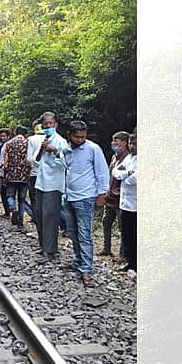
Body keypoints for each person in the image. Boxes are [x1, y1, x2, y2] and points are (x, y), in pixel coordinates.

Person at [63, 120, 109, 287]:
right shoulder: (67, 150)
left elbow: (102, 172)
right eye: (76, 137)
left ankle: (86, 268)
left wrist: (102, 195)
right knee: (73, 232)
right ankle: (78, 260)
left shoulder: (93, 149)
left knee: (85, 233)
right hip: (70, 196)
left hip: (86, 197)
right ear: (70, 135)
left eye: (82, 137)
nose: (79, 140)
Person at [33, 112, 69, 258]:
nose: (47, 126)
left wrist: (54, 151)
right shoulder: (44, 140)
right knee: (40, 215)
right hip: (41, 183)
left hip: (53, 185)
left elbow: (65, 164)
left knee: (50, 217)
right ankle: (43, 245)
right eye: (45, 124)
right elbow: (35, 161)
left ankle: (51, 249)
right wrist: (42, 149)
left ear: (55, 124)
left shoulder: (61, 142)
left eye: (50, 123)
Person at [101, 131, 130, 256]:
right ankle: (106, 248)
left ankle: (123, 254)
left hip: (121, 199)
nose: (113, 143)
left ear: (124, 143)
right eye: (113, 140)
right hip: (110, 197)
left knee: (122, 227)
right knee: (106, 222)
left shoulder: (128, 159)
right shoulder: (114, 157)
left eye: (116, 141)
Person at [114, 131, 138, 275]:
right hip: (125, 203)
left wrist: (125, 175)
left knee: (136, 236)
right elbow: (115, 172)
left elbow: (134, 179)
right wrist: (127, 173)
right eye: (130, 143)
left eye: (135, 144)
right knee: (127, 234)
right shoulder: (129, 158)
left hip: (136, 204)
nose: (132, 146)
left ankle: (137, 264)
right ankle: (130, 262)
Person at [3, 125, 30, 228]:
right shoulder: (27, 143)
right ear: (25, 134)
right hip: (24, 176)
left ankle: (13, 208)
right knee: (22, 199)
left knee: (10, 196)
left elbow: (6, 161)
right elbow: (29, 158)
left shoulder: (9, 144)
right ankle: (20, 221)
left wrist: (5, 173)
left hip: (11, 175)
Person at [26, 120, 46, 216]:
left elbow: (29, 159)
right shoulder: (51, 138)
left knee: (35, 199)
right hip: (49, 175)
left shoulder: (31, 139)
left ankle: (37, 220)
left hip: (34, 174)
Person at [0, 128, 11, 218]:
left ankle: (9, 211)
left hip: (5, 171)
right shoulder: (2, 145)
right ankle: (8, 210)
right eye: (1, 136)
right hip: (2, 171)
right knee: (1, 190)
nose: (2, 138)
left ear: (8, 136)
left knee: (4, 192)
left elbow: (5, 160)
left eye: (4, 136)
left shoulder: (7, 146)